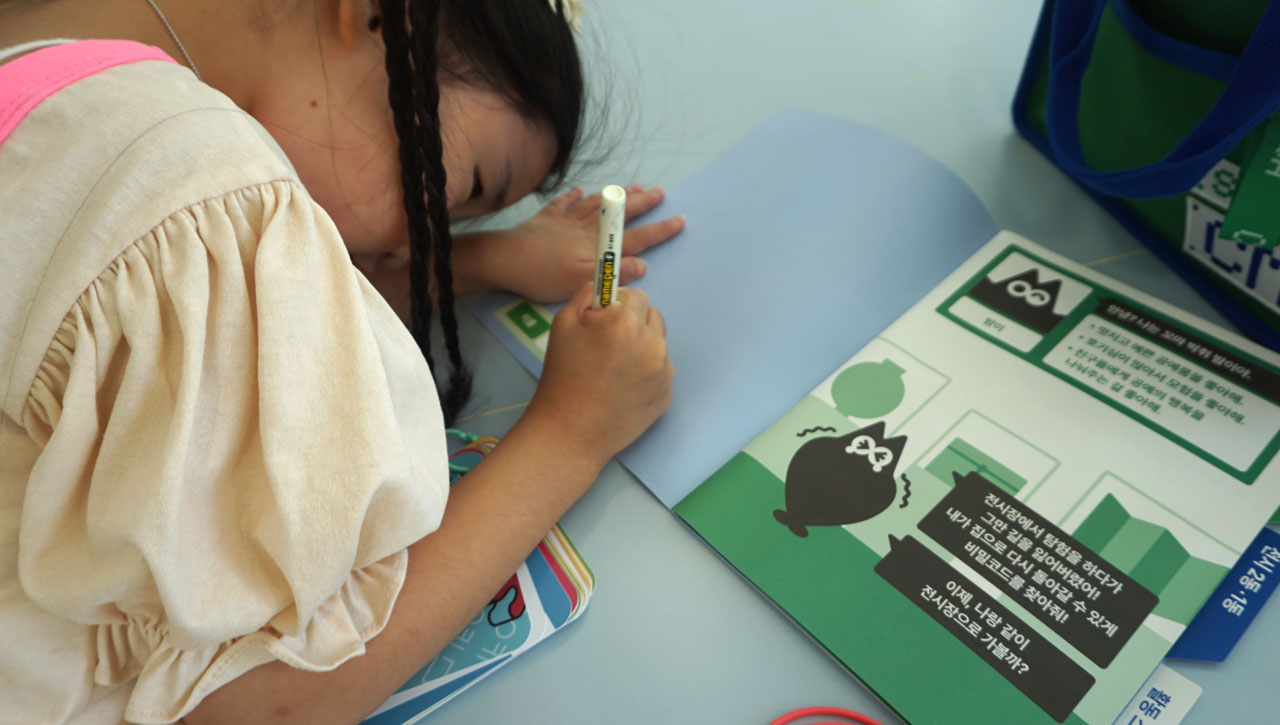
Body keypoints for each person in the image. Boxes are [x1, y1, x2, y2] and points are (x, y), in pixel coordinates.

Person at [0, 0, 683, 722]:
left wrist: (477, 259)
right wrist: (572, 432)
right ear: (378, 18)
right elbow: (259, 702)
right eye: (468, 188)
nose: (411, 243)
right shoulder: (204, 183)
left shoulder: (51, 84)